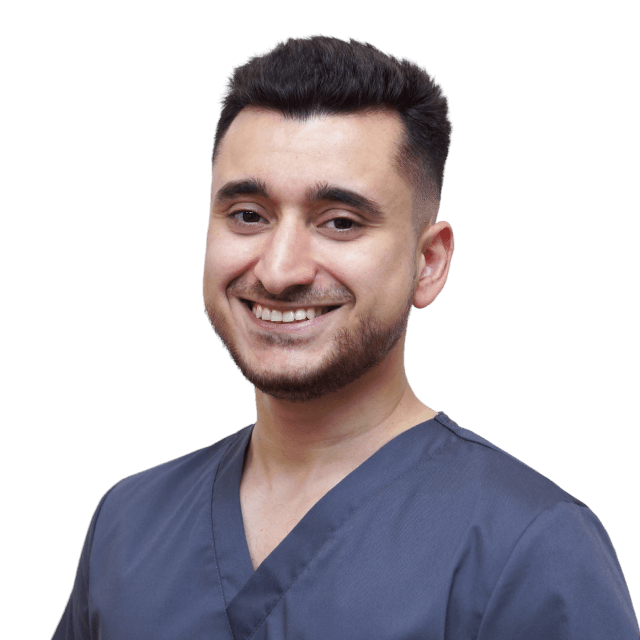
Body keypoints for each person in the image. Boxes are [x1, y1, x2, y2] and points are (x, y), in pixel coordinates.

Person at [53, 35, 638, 639]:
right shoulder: (128, 524)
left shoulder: (532, 547)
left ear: (428, 263)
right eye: (248, 215)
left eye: (339, 222)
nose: (279, 271)